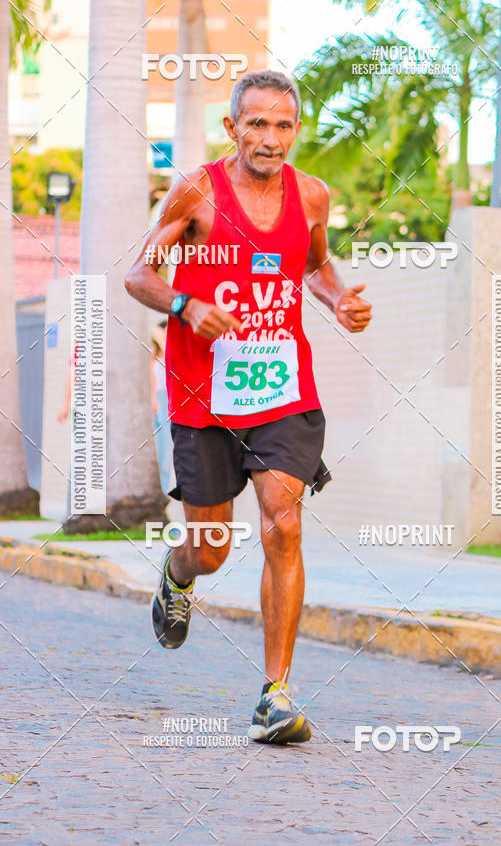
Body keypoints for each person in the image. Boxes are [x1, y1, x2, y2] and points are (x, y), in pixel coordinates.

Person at [125, 69, 372, 745]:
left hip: (282, 389)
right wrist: (186, 303)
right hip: (203, 392)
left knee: (282, 521)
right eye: (256, 124)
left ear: (297, 130)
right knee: (210, 548)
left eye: (283, 124)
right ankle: (179, 577)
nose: (270, 137)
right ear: (232, 128)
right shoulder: (197, 190)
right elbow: (139, 272)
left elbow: (316, 266)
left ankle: (276, 695)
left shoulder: (313, 196)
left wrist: (339, 298)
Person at [150, 321, 173, 492]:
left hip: (166, 401)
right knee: (159, 450)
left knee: (166, 450)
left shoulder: (168, 356)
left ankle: (164, 489)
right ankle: (159, 488)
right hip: (158, 401)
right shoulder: (153, 358)